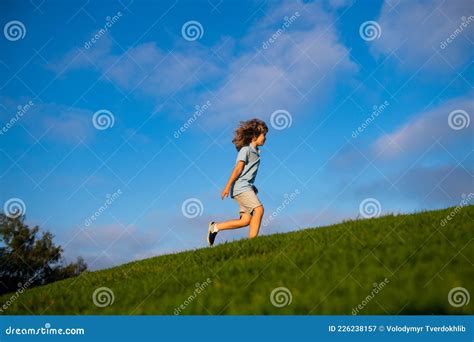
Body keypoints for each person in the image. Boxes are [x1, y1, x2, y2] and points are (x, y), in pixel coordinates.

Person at [207, 118, 268, 246]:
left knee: (245, 220)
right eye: (264, 135)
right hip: (241, 188)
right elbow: (238, 169)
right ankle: (252, 244)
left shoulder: (256, 152)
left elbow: (247, 173)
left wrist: (252, 187)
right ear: (255, 136)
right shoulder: (245, 150)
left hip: (246, 187)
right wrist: (227, 187)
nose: (265, 138)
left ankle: (215, 227)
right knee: (259, 210)